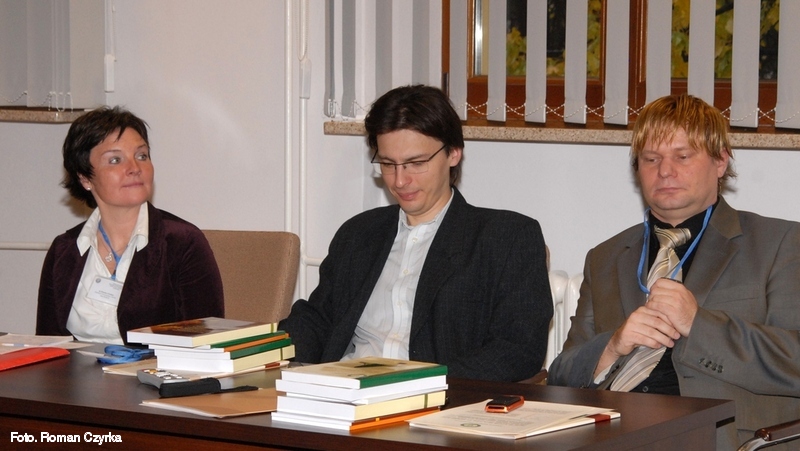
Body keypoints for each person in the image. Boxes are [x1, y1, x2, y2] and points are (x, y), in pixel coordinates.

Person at [547, 93, 800, 450]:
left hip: (716, 439)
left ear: (720, 161)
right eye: (651, 159)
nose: (665, 171)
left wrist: (698, 324)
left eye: (682, 156)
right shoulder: (606, 257)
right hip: (615, 436)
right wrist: (613, 346)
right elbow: (560, 375)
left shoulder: (780, 244)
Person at [279, 85, 552, 382]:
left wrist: (421, 382)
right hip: (343, 392)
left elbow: (519, 350)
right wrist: (264, 353)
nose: (400, 181)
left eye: (416, 163)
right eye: (388, 164)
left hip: (436, 396)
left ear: (453, 153)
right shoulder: (358, 234)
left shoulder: (506, 239)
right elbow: (317, 319)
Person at [36, 106, 224, 344]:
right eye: (115, 160)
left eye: (142, 156)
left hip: (155, 368)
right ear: (84, 178)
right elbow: (48, 345)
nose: (135, 168)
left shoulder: (182, 242)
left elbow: (206, 341)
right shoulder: (64, 250)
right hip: (74, 369)